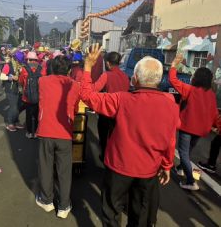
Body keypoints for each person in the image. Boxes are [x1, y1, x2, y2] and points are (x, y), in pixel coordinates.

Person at [80, 44, 180, 227]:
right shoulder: (171, 106)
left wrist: (87, 66)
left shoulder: (121, 100)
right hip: (148, 171)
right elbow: (170, 139)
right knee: (141, 216)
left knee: (111, 212)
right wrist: (167, 164)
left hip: (118, 168)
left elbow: (87, 96)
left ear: (134, 79)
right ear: (159, 80)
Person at [35, 55, 80, 219]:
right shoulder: (74, 84)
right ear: (69, 70)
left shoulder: (43, 81)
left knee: (46, 167)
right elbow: (75, 107)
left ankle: (46, 200)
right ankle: (64, 205)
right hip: (65, 132)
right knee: (64, 170)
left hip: (46, 130)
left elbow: (45, 72)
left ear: (52, 67)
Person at [169, 55, 219, 190]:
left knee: (183, 152)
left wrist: (174, 65)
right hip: (202, 129)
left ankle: (191, 181)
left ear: (197, 78)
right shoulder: (211, 94)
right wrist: (216, 126)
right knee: (189, 150)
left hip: (187, 126)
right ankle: (180, 168)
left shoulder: (190, 89)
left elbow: (173, 80)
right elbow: (214, 112)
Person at [93, 52, 130, 161]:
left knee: (104, 135)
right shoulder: (125, 76)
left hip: (107, 111)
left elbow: (95, 88)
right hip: (122, 111)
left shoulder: (106, 75)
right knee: (118, 136)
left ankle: (104, 156)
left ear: (108, 63)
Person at [19, 51, 46, 138]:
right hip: (39, 96)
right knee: (38, 115)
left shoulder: (24, 69)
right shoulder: (42, 69)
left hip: (27, 97)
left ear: (29, 59)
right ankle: (37, 132)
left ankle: (30, 133)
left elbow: (21, 82)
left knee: (28, 116)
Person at [0, 55, 24, 131]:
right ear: (14, 59)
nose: (18, 62)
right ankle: (10, 123)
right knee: (13, 107)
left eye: (19, 61)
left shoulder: (19, 66)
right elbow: (2, 77)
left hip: (17, 89)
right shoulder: (8, 65)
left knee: (17, 106)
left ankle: (16, 121)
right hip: (10, 89)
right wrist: (12, 77)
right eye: (17, 61)